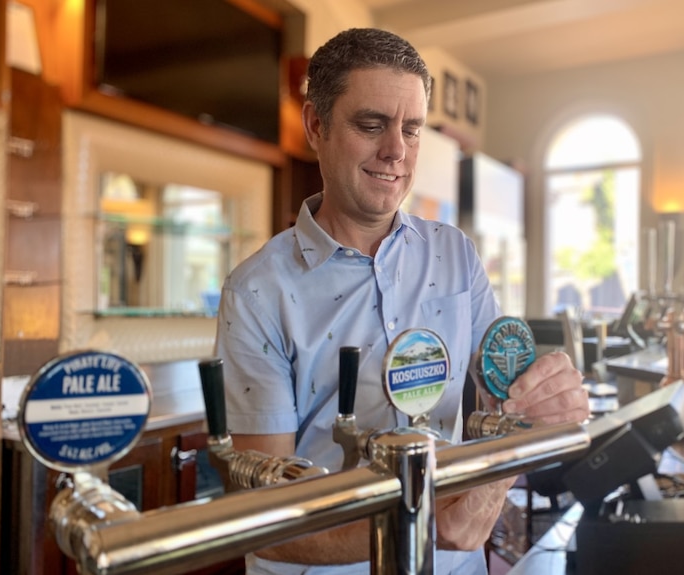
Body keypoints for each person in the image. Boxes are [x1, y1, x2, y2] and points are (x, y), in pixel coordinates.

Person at [214, 27, 590, 575]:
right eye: (372, 125)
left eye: (412, 130)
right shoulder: (256, 292)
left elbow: (504, 405)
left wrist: (545, 403)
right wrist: (428, 524)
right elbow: (265, 521)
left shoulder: (455, 253)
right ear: (316, 126)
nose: (396, 151)